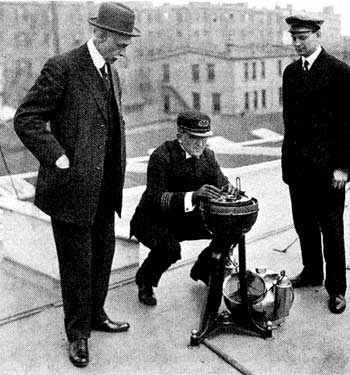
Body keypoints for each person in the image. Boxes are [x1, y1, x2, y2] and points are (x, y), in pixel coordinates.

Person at [14, 2, 141, 368]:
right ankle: (77, 335)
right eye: (121, 41)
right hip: (70, 188)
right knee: (76, 266)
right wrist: (56, 157)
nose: (125, 49)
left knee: (102, 257)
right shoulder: (63, 67)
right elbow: (27, 118)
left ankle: (96, 315)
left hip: (104, 187)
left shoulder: (111, 72)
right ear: (100, 35)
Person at [281, 15, 350, 314]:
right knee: (304, 225)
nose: (297, 43)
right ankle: (312, 271)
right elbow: (290, 123)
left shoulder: (338, 71)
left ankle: (337, 289)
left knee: (331, 229)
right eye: (293, 37)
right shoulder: (291, 73)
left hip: (329, 172)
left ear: (317, 35)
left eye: (302, 37)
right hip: (298, 170)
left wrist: (343, 167)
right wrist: (288, 165)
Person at [130, 111, 238, 306]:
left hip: (185, 219)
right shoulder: (161, 156)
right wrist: (194, 195)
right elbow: (156, 198)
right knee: (169, 249)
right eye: (194, 138)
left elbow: (221, 181)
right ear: (180, 135)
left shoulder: (207, 155)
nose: (200, 144)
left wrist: (228, 187)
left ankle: (203, 269)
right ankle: (145, 281)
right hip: (152, 220)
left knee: (232, 230)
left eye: (204, 139)